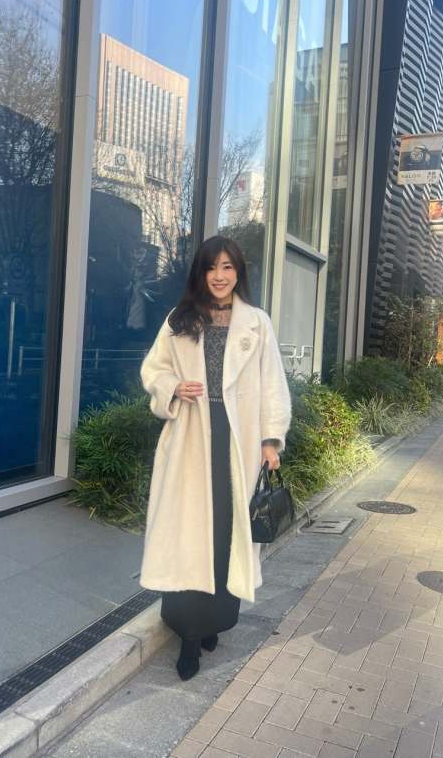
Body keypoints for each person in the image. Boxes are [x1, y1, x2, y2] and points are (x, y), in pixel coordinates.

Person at [139, 236, 292, 680]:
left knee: (225, 534)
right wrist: (173, 387)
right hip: (190, 438)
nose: (220, 276)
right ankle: (189, 635)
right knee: (190, 534)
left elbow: (272, 385)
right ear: (200, 273)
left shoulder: (256, 323)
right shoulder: (179, 318)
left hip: (238, 440)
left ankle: (214, 623)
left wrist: (270, 440)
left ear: (238, 272)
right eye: (211, 267)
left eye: (227, 267)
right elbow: (153, 369)